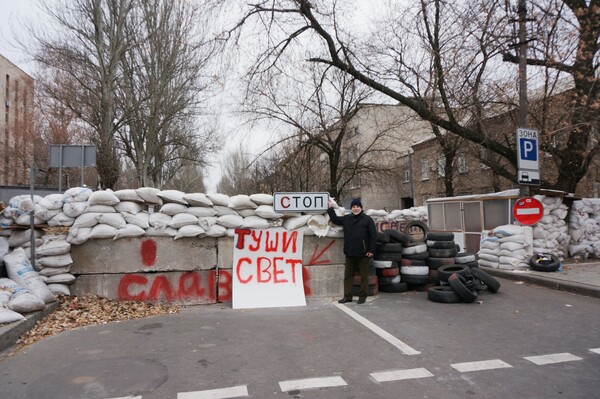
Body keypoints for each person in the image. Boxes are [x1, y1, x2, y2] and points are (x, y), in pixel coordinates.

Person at [327, 197, 377, 304]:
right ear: (351, 208)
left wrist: (371, 250)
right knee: (348, 277)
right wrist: (330, 209)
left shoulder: (367, 219)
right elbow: (335, 220)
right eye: (353, 207)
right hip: (350, 252)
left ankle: (362, 297)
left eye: (358, 207)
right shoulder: (347, 218)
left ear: (361, 208)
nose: (356, 209)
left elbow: (373, 236)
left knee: (364, 277)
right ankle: (347, 296)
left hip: (363, 253)